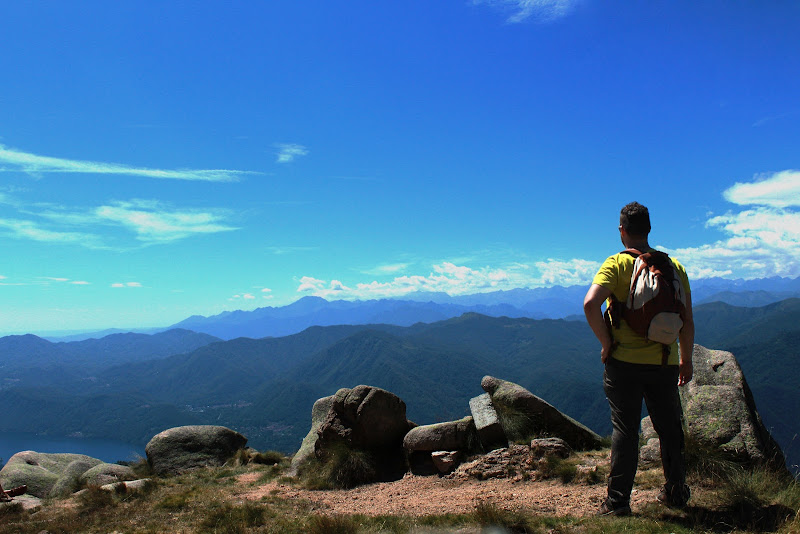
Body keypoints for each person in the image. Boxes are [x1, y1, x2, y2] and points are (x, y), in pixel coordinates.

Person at [583, 201, 694, 516]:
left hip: (623, 363)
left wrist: (606, 343)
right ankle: (676, 493)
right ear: (648, 229)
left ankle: (617, 504)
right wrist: (685, 360)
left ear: (622, 231)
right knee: (670, 428)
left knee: (625, 430)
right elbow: (687, 320)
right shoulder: (673, 267)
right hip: (664, 360)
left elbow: (590, 305)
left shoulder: (617, 264)